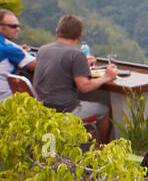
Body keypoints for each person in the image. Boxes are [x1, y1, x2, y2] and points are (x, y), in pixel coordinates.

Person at [33, 15, 117, 143]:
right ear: (79, 37)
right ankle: (101, 150)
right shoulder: (76, 54)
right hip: (65, 110)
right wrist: (107, 77)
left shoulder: (43, 49)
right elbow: (84, 86)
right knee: (104, 109)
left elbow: (59, 69)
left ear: (57, 32)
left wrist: (82, 66)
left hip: (42, 107)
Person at [0, 10, 35, 103]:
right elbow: (35, 65)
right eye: (13, 26)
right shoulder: (9, 48)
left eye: (18, 26)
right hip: (6, 102)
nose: (17, 29)